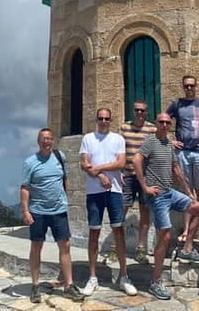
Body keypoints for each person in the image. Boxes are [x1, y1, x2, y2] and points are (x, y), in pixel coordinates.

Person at [133, 112, 199, 300]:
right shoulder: (151, 141)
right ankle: (155, 281)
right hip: (157, 196)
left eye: (167, 122)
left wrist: (188, 192)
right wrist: (145, 186)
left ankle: (187, 248)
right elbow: (136, 160)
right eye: (161, 122)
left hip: (170, 193)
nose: (164, 125)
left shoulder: (168, 144)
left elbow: (177, 170)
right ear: (156, 124)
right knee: (164, 236)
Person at [20, 128, 84, 303]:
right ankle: (35, 286)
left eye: (49, 138)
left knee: (65, 246)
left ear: (53, 140)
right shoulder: (30, 162)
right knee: (36, 247)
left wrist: (65, 197)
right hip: (38, 211)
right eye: (43, 139)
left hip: (58, 211)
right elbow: (25, 188)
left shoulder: (59, 157)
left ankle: (69, 285)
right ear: (38, 141)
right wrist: (25, 211)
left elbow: (64, 178)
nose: (46, 142)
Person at [79, 107, 138, 296]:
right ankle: (93, 277)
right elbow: (84, 163)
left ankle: (123, 276)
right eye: (100, 118)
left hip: (114, 191)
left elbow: (121, 163)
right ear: (96, 119)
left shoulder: (118, 139)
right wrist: (101, 176)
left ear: (110, 120)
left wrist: (100, 169)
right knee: (94, 233)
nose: (103, 121)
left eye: (106, 118)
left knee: (118, 232)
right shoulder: (88, 138)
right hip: (94, 192)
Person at [166, 75, 199, 242]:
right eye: (186, 86)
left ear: (196, 86)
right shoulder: (177, 104)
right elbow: (161, 122)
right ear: (183, 87)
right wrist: (170, 141)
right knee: (186, 193)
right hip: (183, 153)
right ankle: (187, 230)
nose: (189, 89)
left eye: (191, 86)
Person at [120, 99, 157, 263]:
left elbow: (156, 150)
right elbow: (118, 151)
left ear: (146, 112)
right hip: (127, 175)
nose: (139, 113)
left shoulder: (151, 130)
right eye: (137, 110)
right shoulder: (124, 128)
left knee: (144, 212)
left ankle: (141, 248)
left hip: (145, 177)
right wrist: (118, 171)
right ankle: (116, 247)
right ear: (133, 111)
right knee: (121, 210)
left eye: (142, 110)